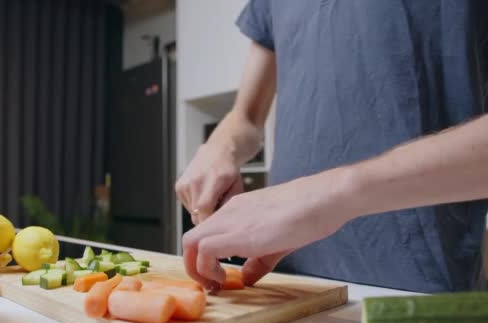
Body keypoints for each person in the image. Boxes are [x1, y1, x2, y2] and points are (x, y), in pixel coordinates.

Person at [176, 0, 488, 293]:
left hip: (412, 285)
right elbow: (246, 117)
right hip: (283, 277)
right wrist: (220, 145)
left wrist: (338, 191)